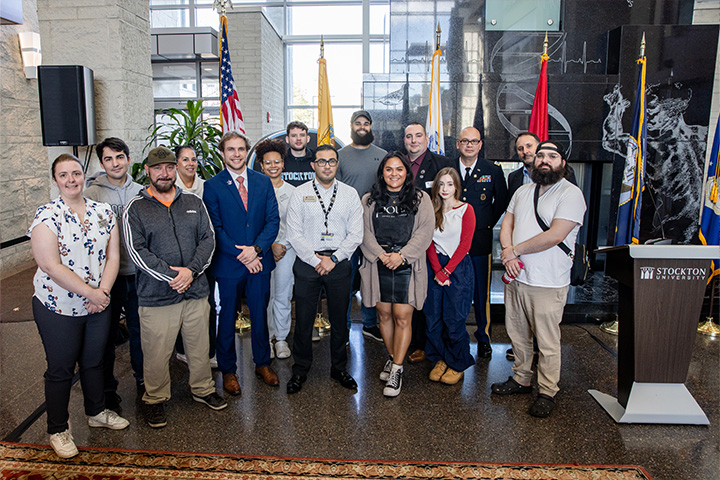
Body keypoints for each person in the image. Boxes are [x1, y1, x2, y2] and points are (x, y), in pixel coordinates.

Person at [29, 154, 130, 459]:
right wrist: (92, 292)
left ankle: (97, 411)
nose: (71, 179)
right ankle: (58, 429)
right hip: (57, 305)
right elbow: (49, 264)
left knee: (94, 361)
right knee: (60, 369)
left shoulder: (102, 211)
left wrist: (103, 292)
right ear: (55, 179)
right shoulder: (47, 215)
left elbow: (113, 257)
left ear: (84, 175)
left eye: (76, 173)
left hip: (98, 303)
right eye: (64, 175)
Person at [124, 146, 226, 428]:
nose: (164, 173)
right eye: (157, 168)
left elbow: (208, 239)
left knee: (199, 346)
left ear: (176, 169)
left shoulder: (192, 202)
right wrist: (173, 276)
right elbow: (137, 251)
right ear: (147, 171)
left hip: (195, 292)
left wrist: (191, 272)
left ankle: (203, 390)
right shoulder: (136, 208)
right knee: (156, 353)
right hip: (157, 297)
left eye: (169, 167)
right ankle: (154, 399)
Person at [492, 141, 586, 418]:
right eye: (541, 155)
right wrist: (509, 258)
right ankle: (521, 379)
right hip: (518, 276)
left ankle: (547, 390)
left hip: (548, 281)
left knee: (546, 341)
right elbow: (506, 223)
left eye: (552, 156)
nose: (545, 160)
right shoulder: (523, 191)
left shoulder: (571, 194)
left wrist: (514, 251)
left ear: (562, 163)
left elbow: (555, 235)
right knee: (518, 335)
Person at [203, 132, 280, 394]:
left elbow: (272, 221)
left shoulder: (263, 182)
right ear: (222, 153)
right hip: (228, 265)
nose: (236, 154)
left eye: (240, 149)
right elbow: (215, 228)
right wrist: (243, 255)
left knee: (259, 314)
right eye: (230, 149)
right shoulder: (212, 186)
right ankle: (228, 370)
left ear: (247, 152)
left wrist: (256, 250)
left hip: (260, 261)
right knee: (226, 318)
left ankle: (262, 363)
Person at [285, 145, 363, 394]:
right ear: (313, 165)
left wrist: (334, 258)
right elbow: (294, 234)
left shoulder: (350, 194)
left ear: (337, 164)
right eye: (321, 161)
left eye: (331, 161)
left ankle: (339, 368)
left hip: (339, 264)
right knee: (304, 319)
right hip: (308, 264)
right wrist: (314, 259)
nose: (327, 165)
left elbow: (356, 234)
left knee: (340, 320)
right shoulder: (300, 194)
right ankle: (300, 370)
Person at [359, 152, 434, 397]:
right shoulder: (369, 200)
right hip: (378, 262)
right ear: (382, 173)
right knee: (383, 314)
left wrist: (401, 256)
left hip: (407, 264)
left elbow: (425, 232)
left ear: (407, 172)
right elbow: (364, 232)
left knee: (402, 315)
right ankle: (392, 358)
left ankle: (397, 370)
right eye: (389, 169)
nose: (394, 174)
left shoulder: (421, 199)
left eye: (399, 169)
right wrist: (382, 255)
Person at [84, 137, 144, 407]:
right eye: (108, 159)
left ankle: (144, 383)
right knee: (106, 335)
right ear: (101, 163)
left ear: (128, 159)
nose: (115, 163)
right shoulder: (92, 195)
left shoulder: (142, 192)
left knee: (140, 332)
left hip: (140, 275)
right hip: (108, 278)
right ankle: (108, 389)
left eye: (119, 157)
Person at [453, 127, 508, 359]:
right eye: (465, 141)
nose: (469, 145)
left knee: (481, 292)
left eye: (474, 141)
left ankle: (484, 337)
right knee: (454, 289)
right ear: (458, 144)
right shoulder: (448, 168)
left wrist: (484, 223)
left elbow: (502, 201)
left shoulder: (492, 170)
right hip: (452, 241)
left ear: (480, 144)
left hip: (479, 241)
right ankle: (454, 334)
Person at [403, 122, 453, 364]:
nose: (414, 141)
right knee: (408, 292)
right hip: (402, 238)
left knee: (426, 294)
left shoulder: (442, 165)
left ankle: (424, 344)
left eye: (418, 136)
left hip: (433, 237)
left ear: (427, 138)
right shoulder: (398, 165)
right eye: (409, 137)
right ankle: (410, 340)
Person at [337, 110, 387, 342]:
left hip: (373, 229)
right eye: (358, 123)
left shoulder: (382, 155)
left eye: (366, 123)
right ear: (351, 126)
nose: (362, 127)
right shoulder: (340, 156)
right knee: (345, 280)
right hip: (345, 228)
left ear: (370, 126)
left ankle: (369, 323)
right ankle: (344, 327)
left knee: (370, 277)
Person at [424, 167, 476, 385]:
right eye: (441, 184)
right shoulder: (431, 209)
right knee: (433, 317)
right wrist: (437, 270)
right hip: (435, 266)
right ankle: (441, 358)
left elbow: (465, 244)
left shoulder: (466, 209)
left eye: (450, 184)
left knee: (454, 319)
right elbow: (427, 242)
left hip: (458, 267)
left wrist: (447, 271)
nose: (445, 189)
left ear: (457, 187)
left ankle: (457, 362)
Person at [172, 145, 217, 369]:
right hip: (178, 257)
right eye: (185, 160)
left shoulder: (206, 187)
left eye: (193, 159)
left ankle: (209, 351)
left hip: (204, 255)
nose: (190, 163)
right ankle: (182, 350)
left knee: (207, 305)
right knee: (181, 305)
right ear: (177, 164)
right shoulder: (170, 188)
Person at [257, 138, 295, 359]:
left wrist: (283, 245)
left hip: (286, 251)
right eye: (268, 163)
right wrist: (268, 245)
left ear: (283, 164)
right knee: (264, 296)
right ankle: (266, 339)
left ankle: (280, 339)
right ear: (261, 165)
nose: (273, 166)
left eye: (277, 162)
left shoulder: (293, 192)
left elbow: (296, 224)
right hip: (262, 251)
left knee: (282, 294)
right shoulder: (255, 190)